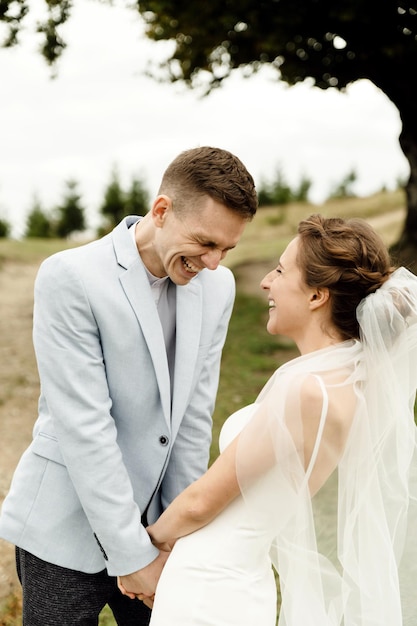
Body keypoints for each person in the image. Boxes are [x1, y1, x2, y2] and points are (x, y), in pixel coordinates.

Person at [0, 146, 258, 625]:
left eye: (227, 249)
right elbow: (84, 427)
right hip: (65, 527)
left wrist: (178, 536)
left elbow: (193, 418)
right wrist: (131, 556)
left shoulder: (217, 288)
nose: (215, 262)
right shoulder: (70, 277)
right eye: (205, 242)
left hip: (161, 529)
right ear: (161, 211)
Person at [132, 214, 417, 625]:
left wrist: (145, 549)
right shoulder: (350, 387)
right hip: (242, 579)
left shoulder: (307, 389)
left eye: (281, 270)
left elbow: (202, 501)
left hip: (209, 586)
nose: (266, 281)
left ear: (317, 296)